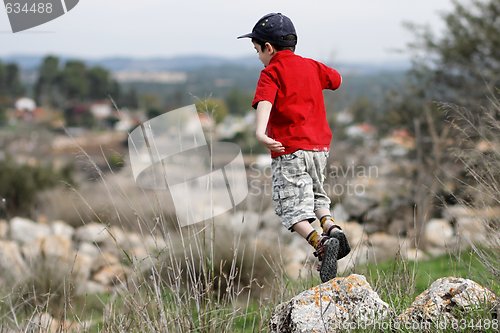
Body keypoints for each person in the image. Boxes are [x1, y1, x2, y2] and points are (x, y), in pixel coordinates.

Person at [237, 13, 350, 282]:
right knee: (317, 197)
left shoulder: (271, 72)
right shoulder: (311, 66)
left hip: (289, 149)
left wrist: (260, 132)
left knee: (290, 207)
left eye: (257, 50)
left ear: (268, 48)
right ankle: (332, 228)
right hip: (320, 147)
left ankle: (321, 244)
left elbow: (265, 101)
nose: (258, 56)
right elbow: (337, 80)